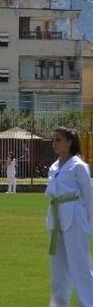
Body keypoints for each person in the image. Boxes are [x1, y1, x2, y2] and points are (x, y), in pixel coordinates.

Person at [45, 126, 93, 306]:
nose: (54, 144)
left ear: (70, 142)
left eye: (58, 140)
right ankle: (58, 303)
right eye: (53, 140)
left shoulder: (79, 166)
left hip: (75, 217)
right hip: (55, 217)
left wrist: (90, 224)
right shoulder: (54, 166)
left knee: (80, 265)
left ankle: (88, 302)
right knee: (57, 267)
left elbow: (89, 197)